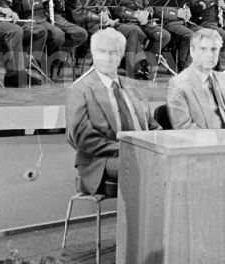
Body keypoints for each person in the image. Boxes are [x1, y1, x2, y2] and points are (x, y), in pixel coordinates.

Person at [65, 28, 159, 194]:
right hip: (102, 161)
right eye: (102, 52)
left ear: (121, 55)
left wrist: (162, 142)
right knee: (149, 167)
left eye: (114, 52)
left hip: (142, 153)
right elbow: (81, 138)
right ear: (93, 53)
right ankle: (140, 219)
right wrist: (127, 149)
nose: (108, 58)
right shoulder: (79, 90)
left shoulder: (133, 85)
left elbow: (151, 126)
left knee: (176, 163)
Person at [167, 28, 225, 129]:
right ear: (192, 51)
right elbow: (185, 129)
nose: (209, 54)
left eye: (214, 49)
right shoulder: (178, 84)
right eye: (203, 49)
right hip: (202, 143)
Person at [109, 0, 170, 79]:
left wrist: (147, 13)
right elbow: (116, 9)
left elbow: (149, 5)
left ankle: (145, 63)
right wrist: (135, 15)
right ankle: (135, 67)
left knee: (164, 35)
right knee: (137, 32)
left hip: (143, 20)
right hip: (126, 21)